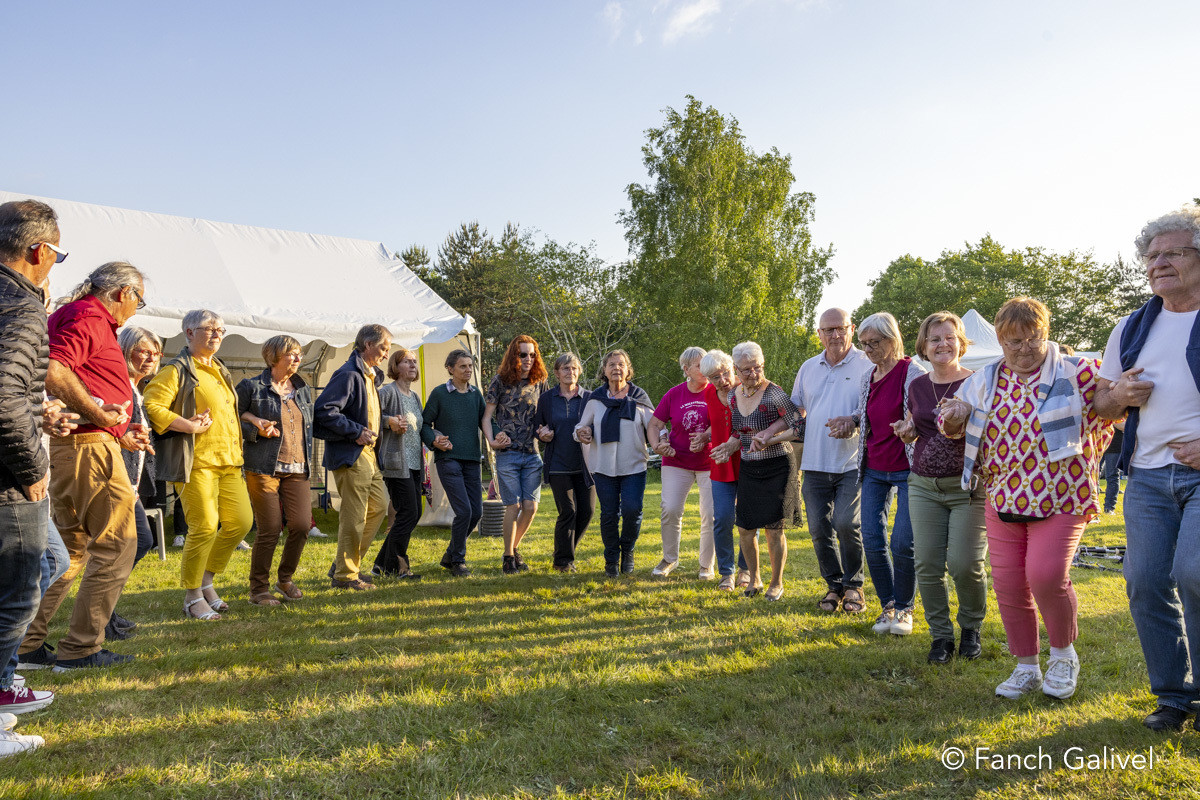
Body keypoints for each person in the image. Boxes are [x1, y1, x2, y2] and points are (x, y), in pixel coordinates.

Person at [941, 297, 1111, 701]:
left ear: (1045, 333)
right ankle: (1026, 666)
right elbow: (956, 423)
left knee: (1045, 575)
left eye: (1030, 339)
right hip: (1004, 497)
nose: (1022, 350)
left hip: (1063, 495)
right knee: (1010, 583)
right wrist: (955, 414)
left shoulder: (1078, 370)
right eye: (1012, 342)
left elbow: (1110, 409)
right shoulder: (984, 379)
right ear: (1000, 341)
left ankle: (1064, 655)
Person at [1094, 206, 1200, 731]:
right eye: (1151, 256)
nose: (1159, 263)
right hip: (1147, 476)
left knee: (1195, 573)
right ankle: (1174, 698)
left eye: (1173, 253)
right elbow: (1103, 405)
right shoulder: (1133, 325)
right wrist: (1119, 394)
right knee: (1143, 580)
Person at [19, 261, 150, 675]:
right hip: (89, 449)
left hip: (79, 446)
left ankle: (26, 643)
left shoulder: (77, 315)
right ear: (121, 293)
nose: (137, 309)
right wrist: (99, 413)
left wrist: (118, 431)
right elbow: (54, 371)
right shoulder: (88, 317)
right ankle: (81, 649)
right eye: (138, 299)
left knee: (71, 551)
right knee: (117, 545)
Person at [144, 309, 254, 618]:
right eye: (210, 329)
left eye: (221, 329)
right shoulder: (176, 369)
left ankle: (206, 581)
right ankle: (193, 597)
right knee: (204, 526)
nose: (218, 334)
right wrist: (184, 424)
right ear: (189, 333)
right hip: (197, 462)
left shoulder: (219, 368)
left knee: (240, 523)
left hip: (230, 461)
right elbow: (151, 405)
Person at [0, 200, 63, 734]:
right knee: (20, 588)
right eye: (56, 256)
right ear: (38, 250)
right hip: (8, 477)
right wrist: (28, 464)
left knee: (46, 565)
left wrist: (35, 407)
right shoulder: (20, 305)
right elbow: (1, 396)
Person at [894, 312, 987, 663]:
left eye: (949, 337)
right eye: (934, 339)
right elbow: (920, 426)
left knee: (965, 564)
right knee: (928, 564)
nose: (942, 344)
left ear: (961, 343)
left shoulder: (978, 382)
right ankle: (941, 636)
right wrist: (907, 429)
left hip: (968, 487)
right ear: (923, 346)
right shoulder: (917, 386)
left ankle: (971, 627)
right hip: (922, 484)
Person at [829, 313, 926, 635]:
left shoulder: (912, 372)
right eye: (864, 344)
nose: (868, 349)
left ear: (892, 339)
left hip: (907, 469)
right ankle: (888, 606)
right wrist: (851, 421)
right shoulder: (867, 376)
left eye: (875, 343)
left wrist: (911, 425)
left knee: (902, 542)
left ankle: (905, 608)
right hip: (873, 469)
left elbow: (924, 414)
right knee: (871, 537)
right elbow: (865, 411)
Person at [791, 308, 873, 614]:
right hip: (813, 463)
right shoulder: (809, 367)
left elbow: (878, 408)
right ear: (819, 334)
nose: (835, 335)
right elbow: (796, 409)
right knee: (818, 529)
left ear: (851, 329)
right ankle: (834, 586)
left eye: (840, 328)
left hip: (852, 461)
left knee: (846, 523)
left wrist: (853, 420)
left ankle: (854, 585)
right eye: (828, 330)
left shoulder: (867, 364)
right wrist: (768, 431)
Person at [716, 341, 802, 600]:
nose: (753, 374)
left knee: (774, 529)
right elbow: (738, 432)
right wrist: (729, 446)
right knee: (745, 527)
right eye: (746, 370)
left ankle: (776, 583)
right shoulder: (733, 395)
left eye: (758, 367)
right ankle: (754, 578)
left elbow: (798, 427)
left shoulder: (774, 393)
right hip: (749, 467)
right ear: (736, 370)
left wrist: (770, 439)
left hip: (778, 465)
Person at [236, 335, 315, 605]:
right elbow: (232, 419)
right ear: (274, 356)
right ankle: (258, 590)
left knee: (302, 525)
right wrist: (255, 426)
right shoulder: (251, 386)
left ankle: (285, 579)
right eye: (291, 353)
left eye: (299, 354)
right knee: (269, 528)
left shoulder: (302, 388)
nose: (297, 358)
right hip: (263, 467)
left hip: (297, 466)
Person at [313, 325, 391, 591]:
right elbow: (324, 411)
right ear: (367, 345)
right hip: (352, 454)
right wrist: (356, 431)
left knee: (380, 506)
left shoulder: (368, 375)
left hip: (369, 455)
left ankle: (345, 565)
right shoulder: (348, 373)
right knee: (354, 516)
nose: (386, 354)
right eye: (383, 348)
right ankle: (346, 576)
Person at [574, 350, 654, 577]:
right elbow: (580, 427)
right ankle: (611, 559)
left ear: (628, 370)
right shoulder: (596, 399)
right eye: (611, 364)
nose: (616, 368)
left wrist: (664, 440)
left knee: (632, 510)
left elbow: (655, 427)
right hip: (603, 467)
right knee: (608, 514)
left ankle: (627, 550)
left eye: (621, 364)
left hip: (634, 466)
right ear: (604, 370)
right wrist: (582, 432)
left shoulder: (639, 397)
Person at [109, 326, 164, 638]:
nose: (150, 358)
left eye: (155, 353)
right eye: (143, 351)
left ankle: (106, 612)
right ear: (125, 350)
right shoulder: (121, 388)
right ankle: (101, 616)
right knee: (126, 546)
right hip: (116, 480)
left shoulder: (136, 390)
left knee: (138, 542)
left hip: (129, 482)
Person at [483, 335, 549, 574]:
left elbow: (546, 414)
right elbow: (487, 417)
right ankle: (509, 558)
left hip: (532, 453)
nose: (528, 359)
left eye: (532, 354)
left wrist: (546, 431)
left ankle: (511, 549)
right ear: (514, 356)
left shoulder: (540, 381)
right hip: (507, 454)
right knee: (513, 505)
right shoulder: (499, 381)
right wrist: (492, 442)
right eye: (523, 354)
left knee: (530, 507)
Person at [648, 347, 715, 579]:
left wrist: (706, 435)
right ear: (686, 370)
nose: (705, 369)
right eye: (699, 365)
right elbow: (654, 424)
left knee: (711, 514)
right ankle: (669, 559)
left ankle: (706, 564)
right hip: (676, 460)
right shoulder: (674, 394)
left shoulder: (717, 391)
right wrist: (657, 445)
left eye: (707, 363)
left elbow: (727, 420)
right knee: (671, 509)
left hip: (710, 461)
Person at [421, 349, 487, 576]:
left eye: (470, 366)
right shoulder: (440, 394)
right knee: (464, 511)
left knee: (476, 512)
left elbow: (486, 421)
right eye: (463, 366)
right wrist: (434, 441)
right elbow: (424, 424)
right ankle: (458, 560)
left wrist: (498, 435)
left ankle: (450, 553)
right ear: (450, 368)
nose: (468, 370)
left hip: (472, 460)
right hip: (447, 459)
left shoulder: (476, 394)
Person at [534, 353, 593, 573]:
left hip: (587, 464)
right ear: (557, 373)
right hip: (558, 463)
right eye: (566, 369)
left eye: (574, 368)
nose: (571, 372)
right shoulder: (547, 399)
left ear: (580, 371)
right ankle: (563, 561)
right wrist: (543, 434)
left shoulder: (589, 398)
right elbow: (538, 426)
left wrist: (591, 432)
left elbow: (597, 423)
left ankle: (565, 552)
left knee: (586, 512)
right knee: (568, 511)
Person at [371, 347, 425, 579]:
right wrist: (389, 421)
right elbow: (370, 416)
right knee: (408, 513)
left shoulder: (414, 397)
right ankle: (399, 566)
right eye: (406, 361)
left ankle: (382, 565)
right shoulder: (387, 392)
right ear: (395, 367)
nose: (413, 365)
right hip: (396, 463)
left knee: (414, 512)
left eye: (414, 361)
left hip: (414, 464)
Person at [698, 350, 740, 591]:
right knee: (722, 518)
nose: (723, 380)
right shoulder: (709, 394)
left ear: (732, 368)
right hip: (721, 465)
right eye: (715, 377)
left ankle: (746, 570)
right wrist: (705, 437)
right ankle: (727, 572)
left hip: (749, 462)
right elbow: (716, 422)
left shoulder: (746, 389)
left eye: (725, 373)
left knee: (746, 520)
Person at [1099, 419, 1125, 514]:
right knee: (1093, 476)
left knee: (1112, 477)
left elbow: (1124, 425)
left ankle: (1109, 508)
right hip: (1098, 445)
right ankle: (1093, 509)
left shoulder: (1119, 410)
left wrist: (1111, 419)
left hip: (1114, 446)